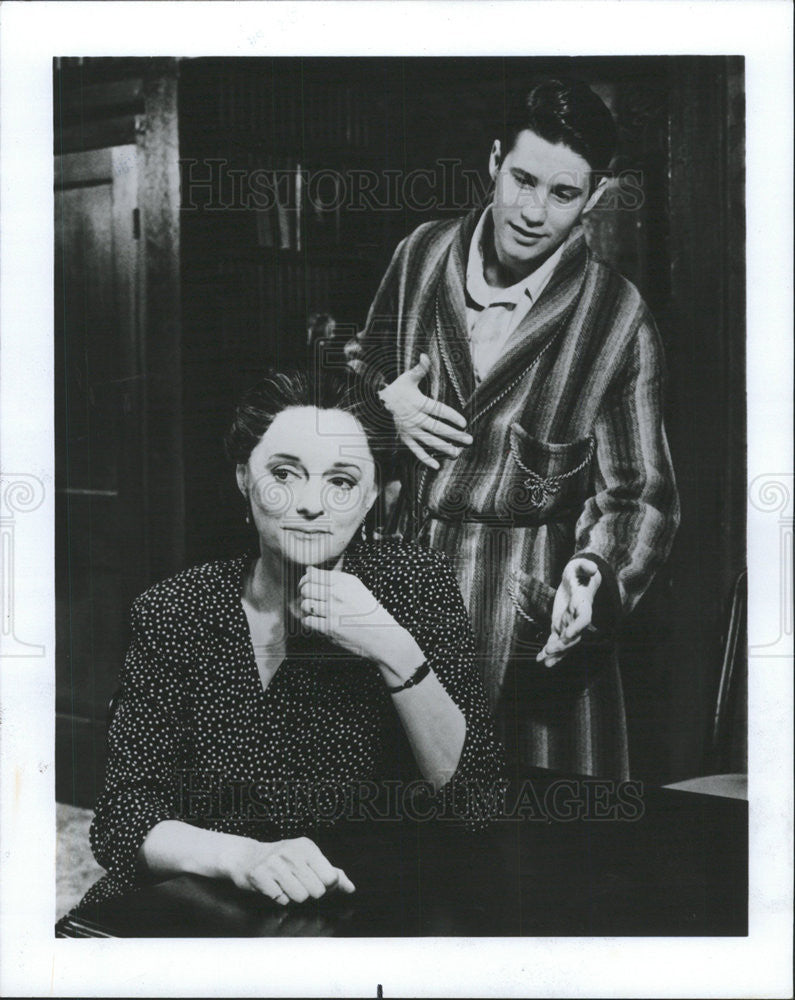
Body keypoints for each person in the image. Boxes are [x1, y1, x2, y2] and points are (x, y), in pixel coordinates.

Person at [67, 369, 504, 916]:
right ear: (243, 480)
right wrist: (244, 858)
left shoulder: (414, 585)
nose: (311, 505)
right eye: (284, 474)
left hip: (340, 903)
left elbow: (474, 803)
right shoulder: (176, 609)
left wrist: (391, 646)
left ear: (373, 497)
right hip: (198, 886)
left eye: (341, 481)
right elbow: (122, 818)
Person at [347, 77, 681, 778]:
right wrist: (383, 404)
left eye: (563, 195)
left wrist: (594, 575)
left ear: (591, 199)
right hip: (393, 600)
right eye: (522, 179)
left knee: (528, 864)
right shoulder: (419, 254)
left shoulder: (618, 319)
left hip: (526, 630)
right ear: (494, 160)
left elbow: (637, 499)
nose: (532, 211)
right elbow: (356, 377)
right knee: (389, 847)